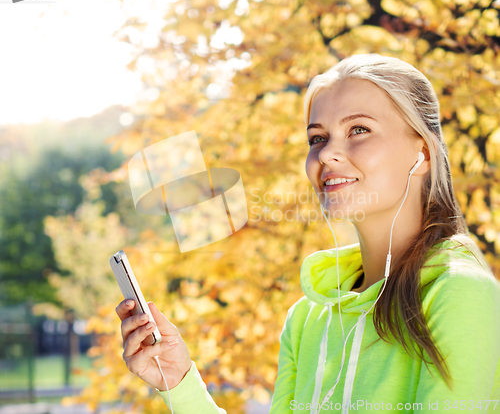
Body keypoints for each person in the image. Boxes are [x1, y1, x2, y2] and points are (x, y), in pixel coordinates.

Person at [115, 54, 500, 413]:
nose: (328, 153)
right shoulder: (308, 317)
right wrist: (179, 381)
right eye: (317, 138)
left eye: (359, 129)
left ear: (424, 153)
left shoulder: (459, 293)